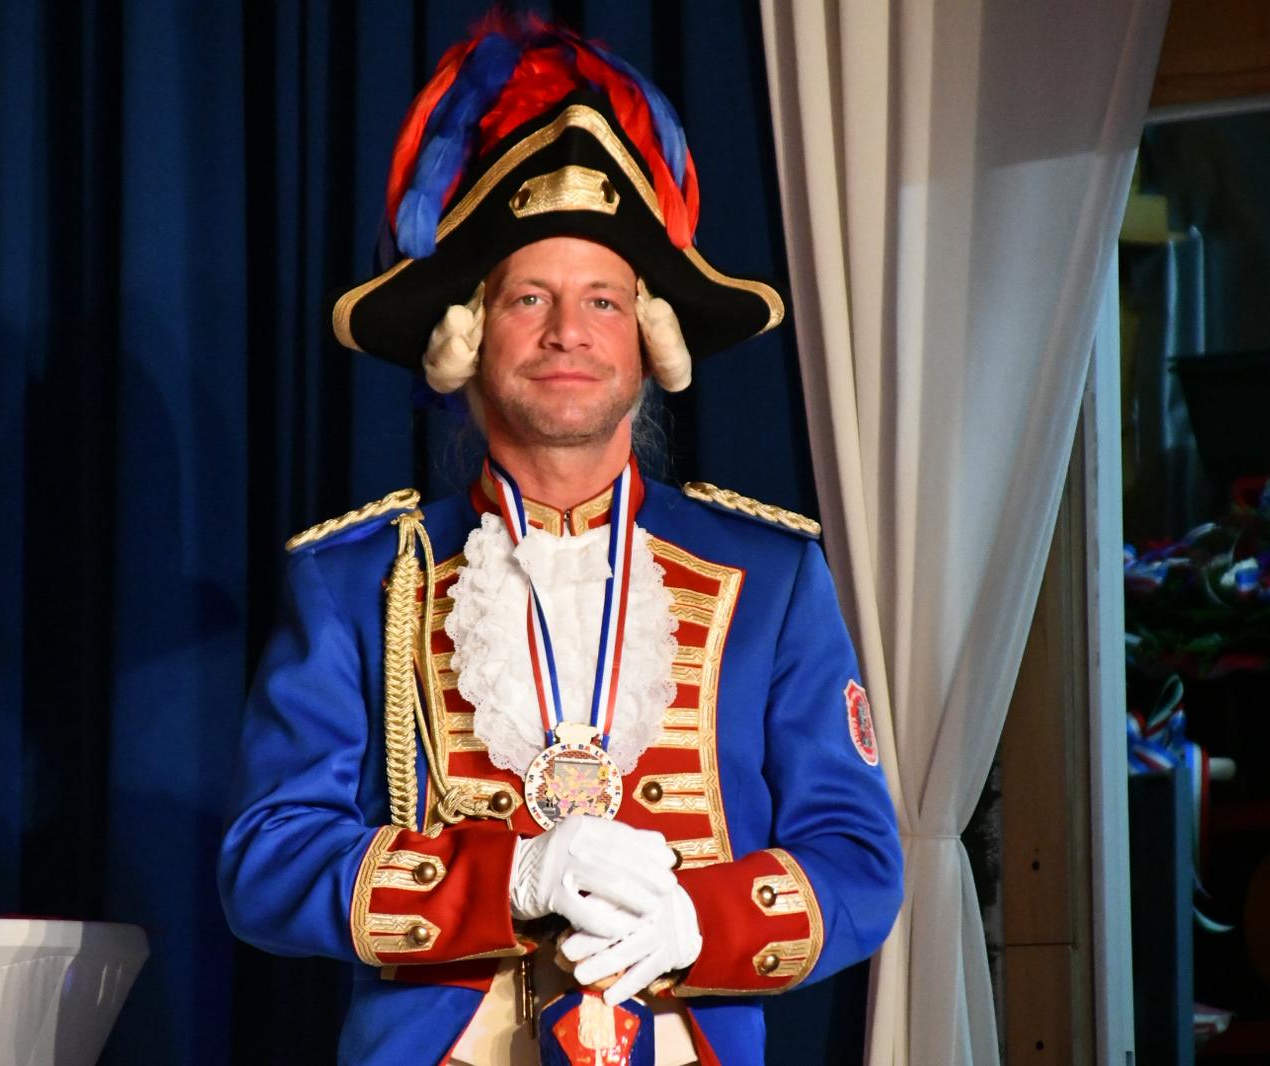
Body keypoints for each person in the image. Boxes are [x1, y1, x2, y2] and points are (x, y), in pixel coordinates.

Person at [218, 17, 902, 1065]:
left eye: (603, 302)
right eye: (528, 298)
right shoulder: (356, 579)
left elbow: (859, 861)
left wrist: (700, 921)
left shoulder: (769, 576)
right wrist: (511, 879)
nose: (566, 332)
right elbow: (265, 863)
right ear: (468, 339)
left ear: (649, 342)